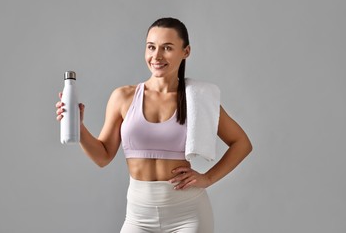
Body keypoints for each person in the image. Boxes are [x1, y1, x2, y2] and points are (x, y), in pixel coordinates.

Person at [55, 17, 252, 233]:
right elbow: (103, 157)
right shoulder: (123, 97)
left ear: (186, 51)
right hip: (138, 215)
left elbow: (241, 143)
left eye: (167, 48)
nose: (156, 56)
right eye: (151, 47)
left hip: (187, 213)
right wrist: (79, 128)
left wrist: (208, 178)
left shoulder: (197, 98)